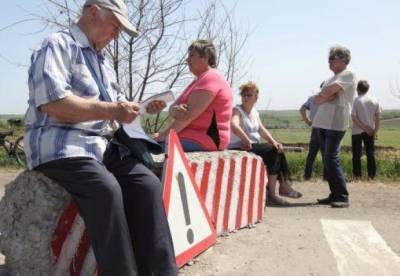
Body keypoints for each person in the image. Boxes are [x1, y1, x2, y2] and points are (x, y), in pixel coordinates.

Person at [23, 0, 177, 275]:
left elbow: (115, 107)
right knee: (106, 189)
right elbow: (53, 104)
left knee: (147, 185)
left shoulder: (102, 61)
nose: (116, 35)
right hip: (62, 146)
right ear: (94, 12)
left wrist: (140, 106)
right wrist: (113, 109)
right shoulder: (57, 45)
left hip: (100, 146)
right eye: (115, 27)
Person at [229, 81, 302, 206]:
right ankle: (277, 190)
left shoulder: (255, 112)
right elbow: (233, 125)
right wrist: (246, 139)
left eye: (249, 95)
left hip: (253, 146)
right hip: (240, 146)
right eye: (244, 95)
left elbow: (261, 129)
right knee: (273, 151)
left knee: (277, 149)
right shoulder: (237, 110)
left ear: (256, 98)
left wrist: (275, 142)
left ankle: (279, 188)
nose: (245, 98)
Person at [153, 40, 233, 151]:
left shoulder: (211, 77)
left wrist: (164, 136)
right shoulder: (197, 81)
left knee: (150, 148)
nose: (187, 60)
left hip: (206, 138)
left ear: (205, 57)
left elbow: (187, 117)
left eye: (192, 55)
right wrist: (176, 110)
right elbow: (172, 109)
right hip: (193, 136)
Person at [313, 45, 356, 208]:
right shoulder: (332, 77)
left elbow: (329, 91)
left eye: (333, 58)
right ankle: (334, 194)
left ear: (343, 60)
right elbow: (318, 98)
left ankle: (342, 196)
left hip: (336, 122)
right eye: (328, 58)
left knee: (331, 158)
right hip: (323, 122)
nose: (329, 61)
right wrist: (327, 94)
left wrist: (326, 94)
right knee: (327, 159)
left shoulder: (348, 74)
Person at [351, 80, 381, 179]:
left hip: (357, 131)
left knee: (356, 154)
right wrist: (374, 131)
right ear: (368, 89)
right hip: (371, 131)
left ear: (357, 89)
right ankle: (371, 176)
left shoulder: (356, 100)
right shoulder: (375, 100)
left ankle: (357, 175)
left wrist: (364, 128)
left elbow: (354, 118)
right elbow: (378, 117)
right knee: (370, 154)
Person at [299, 94, 320, 180]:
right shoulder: (330, 97)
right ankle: (328, 176)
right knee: (327, 154)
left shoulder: (312, 98)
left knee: (312, 154)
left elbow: (302, 109)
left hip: (315, 127)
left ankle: (307, 176)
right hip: (327, 128)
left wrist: (307, 121)